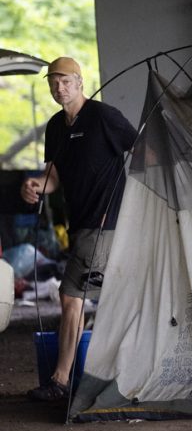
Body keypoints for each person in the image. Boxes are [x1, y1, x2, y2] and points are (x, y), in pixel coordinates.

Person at [21, 56, 136, 401]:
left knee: (71, 296)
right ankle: (111, 375)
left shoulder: (104, 117)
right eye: (53, 82)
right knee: (102, 298)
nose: (59, 88)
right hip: (80, 224)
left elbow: (145, 148)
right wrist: (36, 185)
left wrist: (132, 201)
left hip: (107, 223)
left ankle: (60, 380)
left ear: (80, 82)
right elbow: (53, 177)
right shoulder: (56, 127)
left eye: (65, 81)